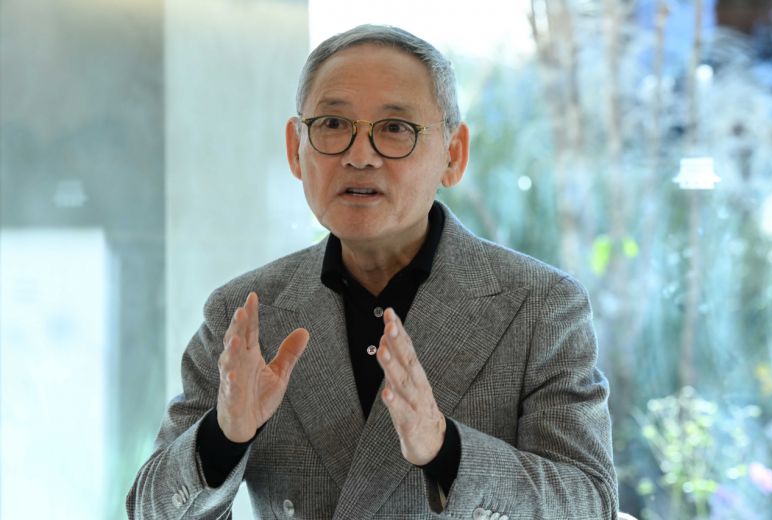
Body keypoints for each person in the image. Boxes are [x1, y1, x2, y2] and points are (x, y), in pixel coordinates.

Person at [127, 24, 618, 519]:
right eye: (332, 124)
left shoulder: (539, 306)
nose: (359, 157)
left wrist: (446, 450)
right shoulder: (246, 313)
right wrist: (222, 438)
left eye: (395, 128)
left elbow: (590, 503)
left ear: (454, 155)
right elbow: (149, 508)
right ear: (296, 148)